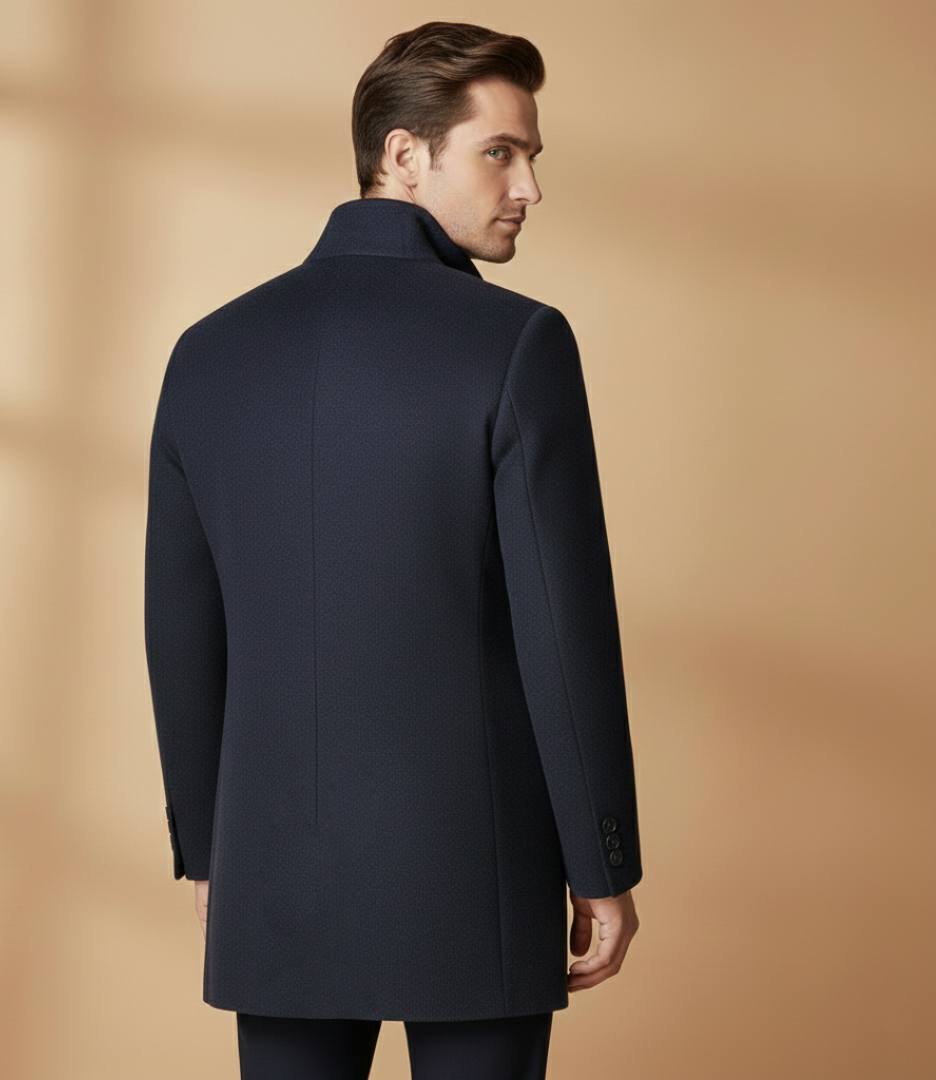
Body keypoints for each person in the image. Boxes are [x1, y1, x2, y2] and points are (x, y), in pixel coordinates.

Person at [145, 21, 641, 1080]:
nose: (529, 187)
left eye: (531, 156)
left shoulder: (206, 354)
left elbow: (181, 630)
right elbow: (562, 633)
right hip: (473, 872)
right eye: (500, 152)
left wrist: (210, 857)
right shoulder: (518, 344)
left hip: (270, 875)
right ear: (404, 155)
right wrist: (603, 862)